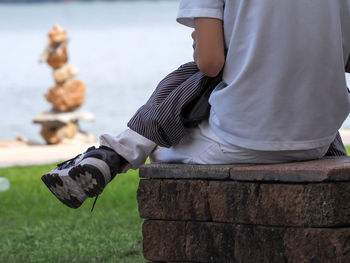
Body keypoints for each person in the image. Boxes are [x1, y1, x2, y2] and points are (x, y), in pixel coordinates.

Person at [42, 0, 350, 209]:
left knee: (181, 88)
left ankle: (112, 155)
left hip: (243, 140)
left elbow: (210, 63)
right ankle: (110, 154)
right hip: (319, 139)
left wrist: (204, 42)